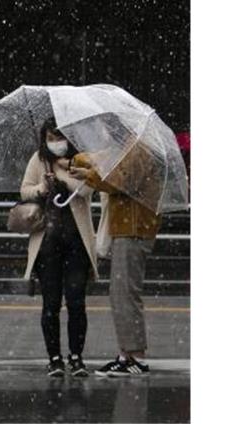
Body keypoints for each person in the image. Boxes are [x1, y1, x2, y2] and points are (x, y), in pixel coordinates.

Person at [68, 142, 161, 376]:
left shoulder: (138, 149)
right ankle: (126, 354)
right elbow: (102, 160)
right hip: (127, 228)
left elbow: (119, 180)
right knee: (120, 293)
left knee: (125, 292)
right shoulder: (129, 148)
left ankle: (136, 357)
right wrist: (83, 161)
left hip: (134, 229)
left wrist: (89, 174)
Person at [20, 120, 99, 377]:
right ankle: (54, 359)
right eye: (50, 137)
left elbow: (89, 188)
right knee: (50, 303)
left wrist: (66, 181)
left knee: (76, 302)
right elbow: (25, 190)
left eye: (59, 136)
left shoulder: (81, 160)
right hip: (47, 243)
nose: (55, 142)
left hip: (77, 243)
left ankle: (77, 358)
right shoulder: (38, 160)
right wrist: (43, 187)